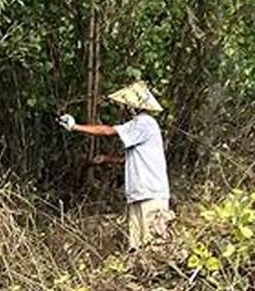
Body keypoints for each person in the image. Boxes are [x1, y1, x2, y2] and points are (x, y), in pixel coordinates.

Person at [58, 80, 172, 248]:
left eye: (125, 105)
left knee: (155, 247)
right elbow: (132, 158)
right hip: (140, 194)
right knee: (139, 249)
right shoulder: (141, 127)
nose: (123, 108)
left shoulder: (144, 122)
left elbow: (107, 131)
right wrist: (107, 159)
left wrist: (75, 126)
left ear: (133, 106)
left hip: (151, 193)